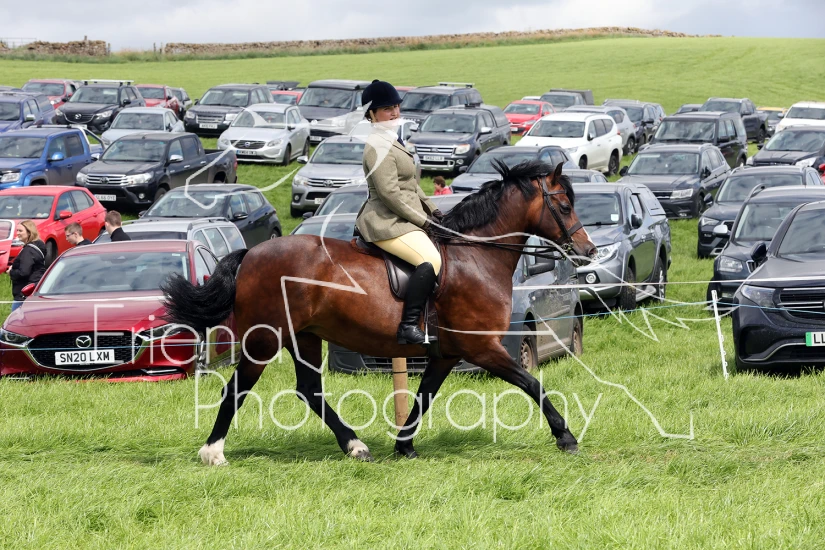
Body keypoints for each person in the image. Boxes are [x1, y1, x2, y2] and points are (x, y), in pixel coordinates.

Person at [355, 79, 443, 345]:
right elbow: (390, 194)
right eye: (387, 109)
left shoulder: (392, 139)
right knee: (430, 259)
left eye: (396, 107)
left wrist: (436, 212)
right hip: (386, 221)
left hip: (402, 218)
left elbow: (412, 185)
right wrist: (424, 221)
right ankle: (408, 326)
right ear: (371, 114)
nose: (394, 113)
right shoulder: (377, 145)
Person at [6, 220, 46, 312]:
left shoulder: (28, 251)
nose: (17, 233)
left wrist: (11, 272)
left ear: (29, 232)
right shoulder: (38, 246)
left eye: (20, 231)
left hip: (24, 293)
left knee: (16, 318)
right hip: (34, 289)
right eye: (17, 230)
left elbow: (23, 272)